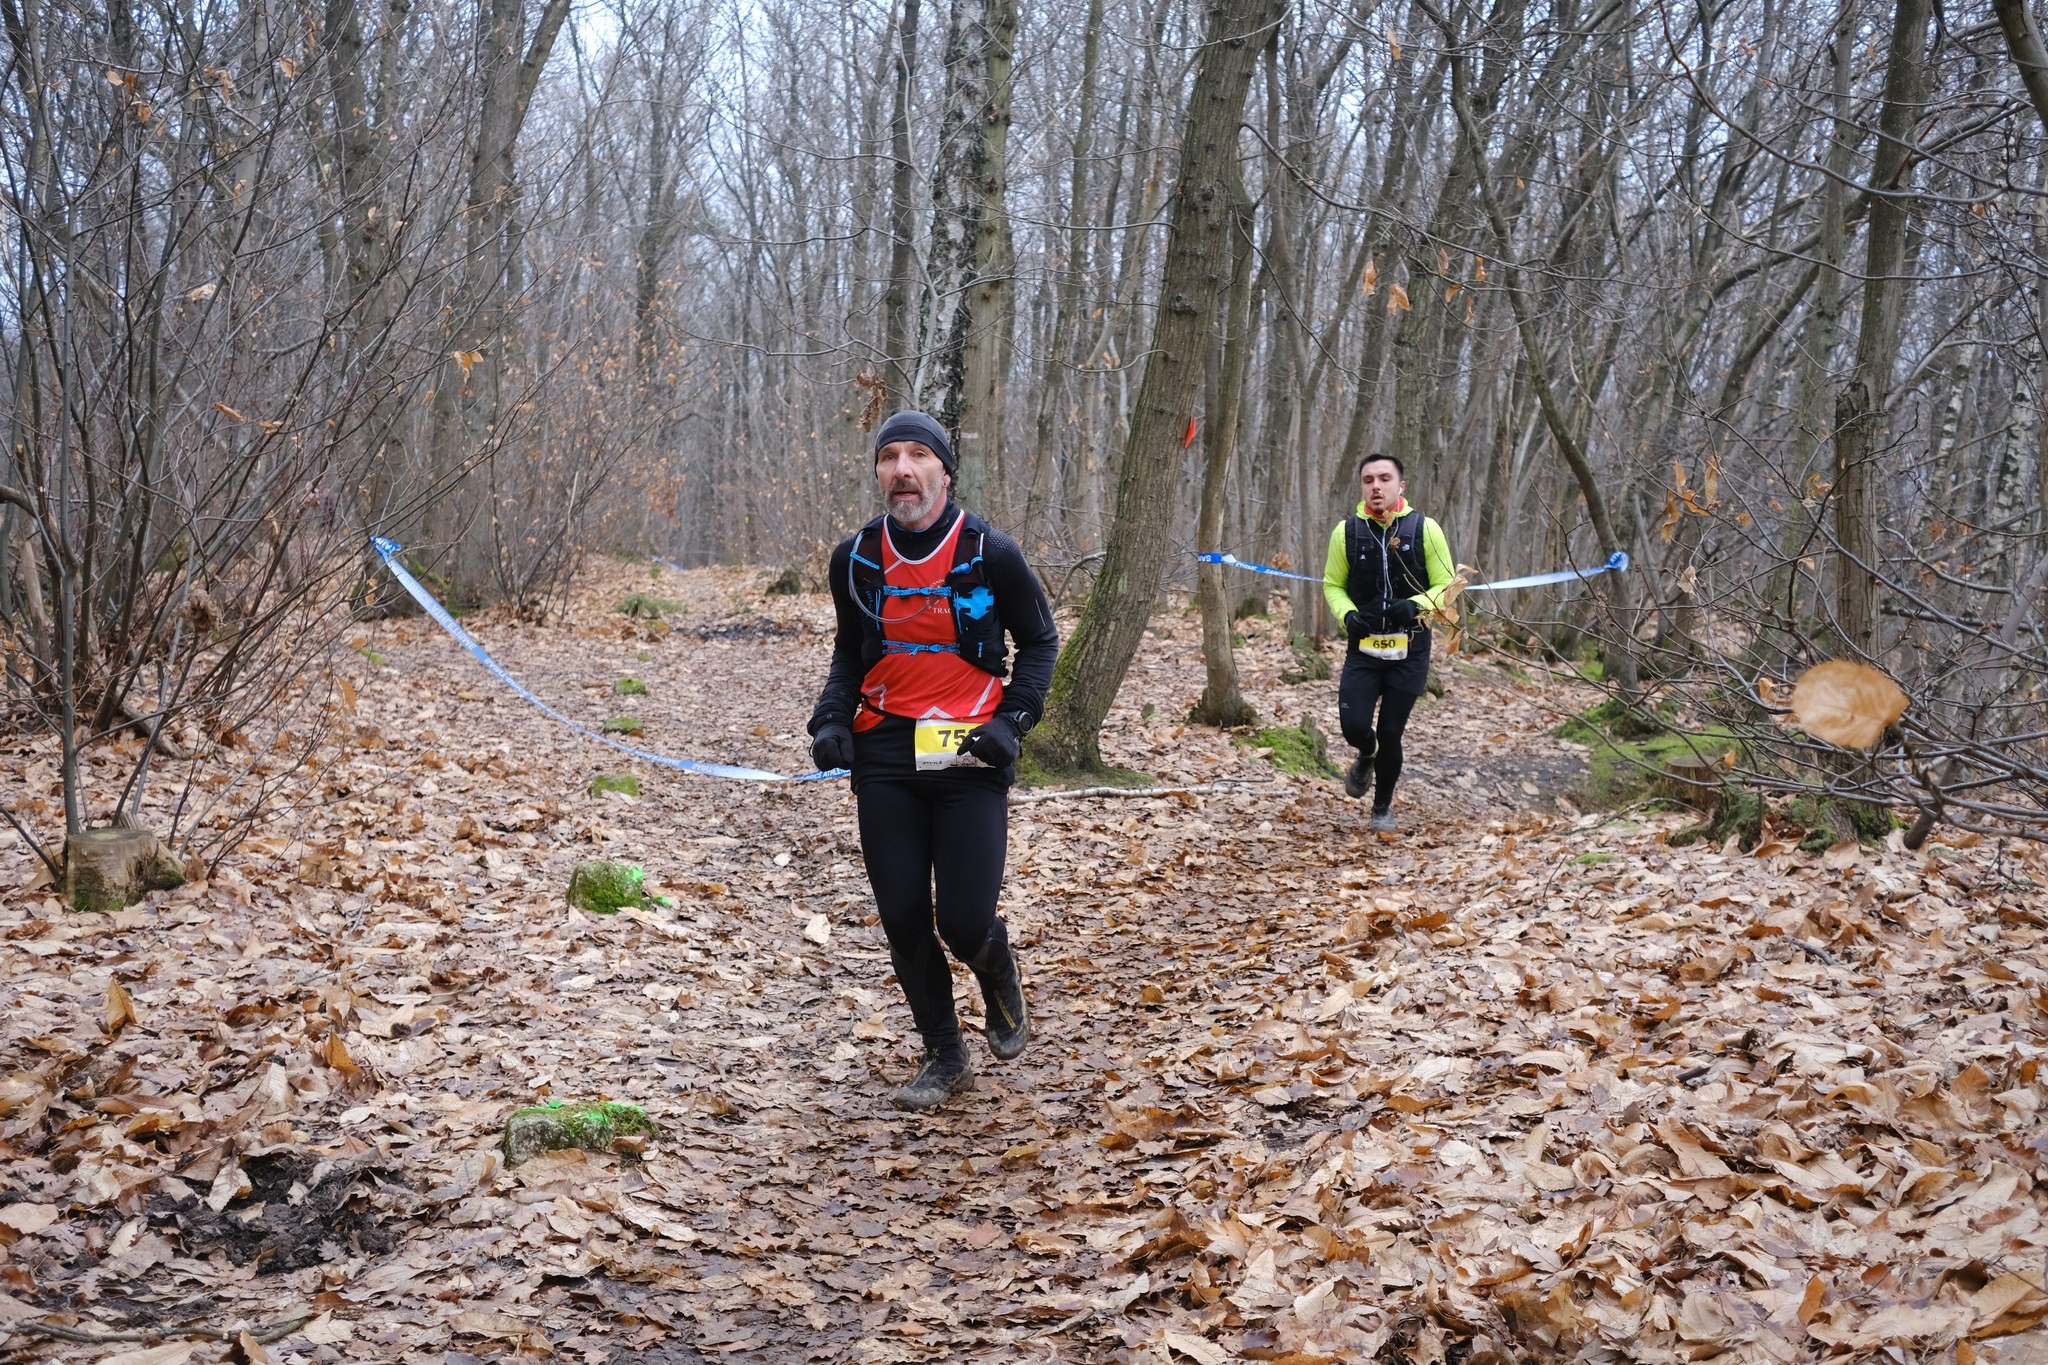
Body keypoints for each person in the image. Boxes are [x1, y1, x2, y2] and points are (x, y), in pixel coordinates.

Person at [808, 411, 1060, 1110]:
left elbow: (1040, 643)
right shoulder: (854, 558)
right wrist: (832, 716)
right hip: (885, 747)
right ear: (880, 474)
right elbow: (848, 651)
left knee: (964, 919)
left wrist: (1014, 720)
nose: (903, 469)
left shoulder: (991, 552)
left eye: (919, 454)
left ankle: (996, 963)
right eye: (890, 456)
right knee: (903, 918)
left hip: (969, 750)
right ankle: (945, 1054)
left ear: (945, 471)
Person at [1321, 452, 1454, 833]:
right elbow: (1333, 585)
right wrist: (1347, 615)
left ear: (1401, 485)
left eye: (1384, 478)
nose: (1375, 486)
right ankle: (1366, 753)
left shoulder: (1425, 529)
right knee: (1354, 725)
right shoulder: (1346, 532)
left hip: (1409, 649)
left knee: (1392, 732)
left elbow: (1447, 585)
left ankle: (1382, 808)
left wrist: (1415, 605)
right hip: (1364, 647)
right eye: (1368, 480)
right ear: (1361, 486)